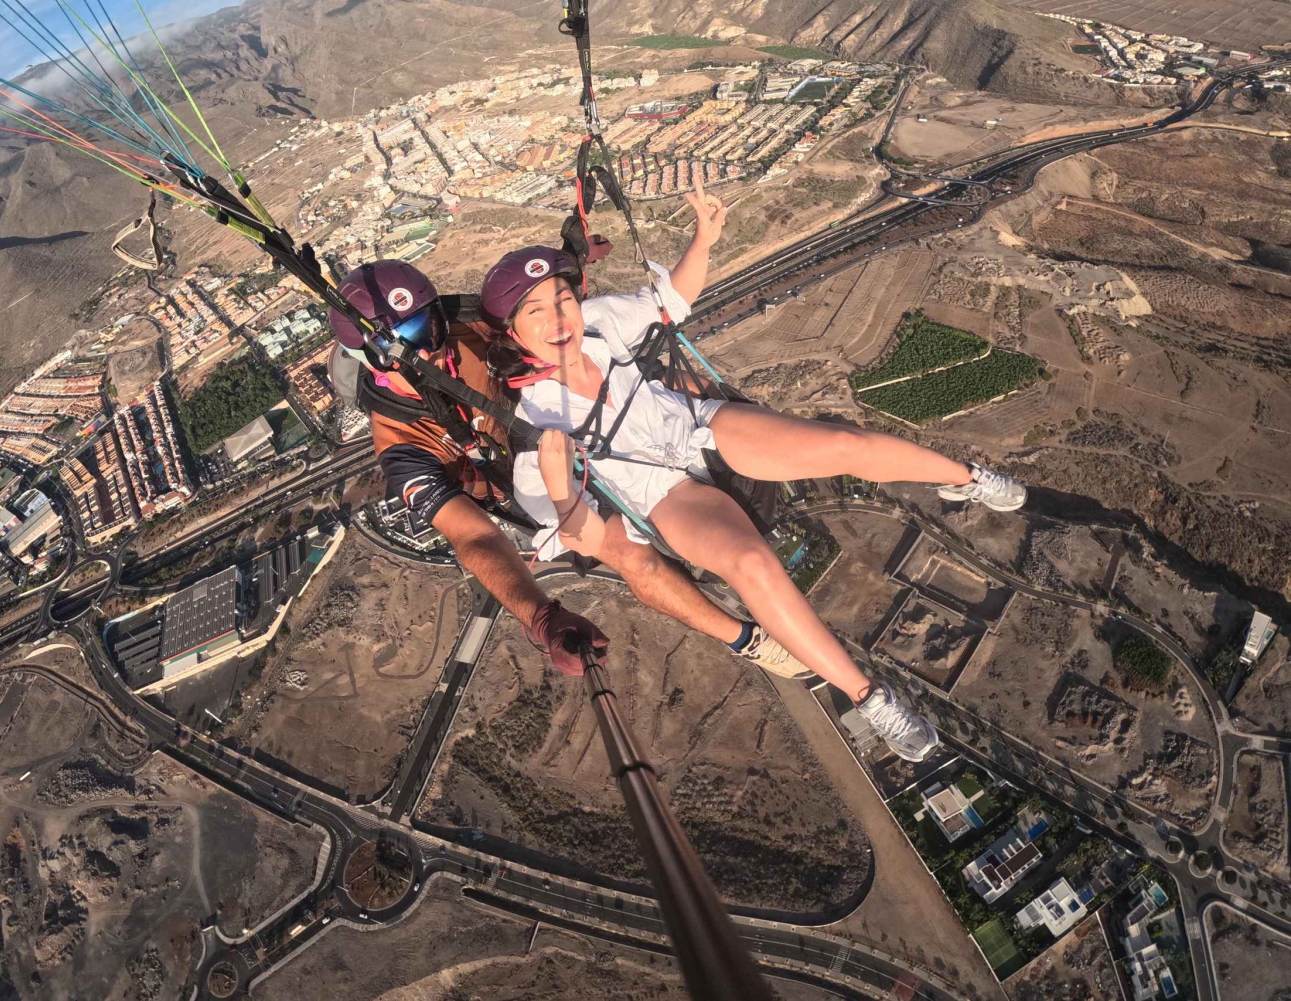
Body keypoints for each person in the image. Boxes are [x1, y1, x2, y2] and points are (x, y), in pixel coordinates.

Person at [478, 179, 1028, 762]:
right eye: (535, 311)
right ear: (513, 333)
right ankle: (869, 698)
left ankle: (965, 478)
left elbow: (671, 301)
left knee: (842, 442)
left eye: (562, 299)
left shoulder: (598, 321)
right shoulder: (536, 427)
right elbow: (587, 538)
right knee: (749, 564)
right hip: (663, 492)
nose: (558, 317)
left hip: (699, 425)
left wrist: (703, 239)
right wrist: (562, 490)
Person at [325, 260, 800, 678]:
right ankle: (746, 639)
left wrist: (567, 270)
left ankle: (780, 465)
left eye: (428, 326)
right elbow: (473, 537)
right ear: (371, 358)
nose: (427, 347)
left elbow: (542, 319)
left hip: (572, 412)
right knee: (628, 554)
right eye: (404, 341)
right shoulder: (402, 442)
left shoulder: (468, 326)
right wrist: (541, 617)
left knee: (683, 388)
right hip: (539, 474)